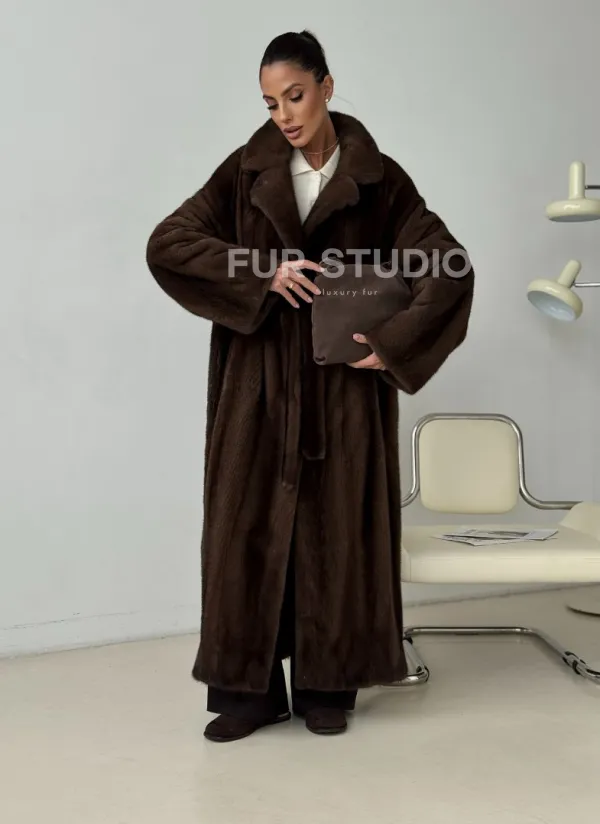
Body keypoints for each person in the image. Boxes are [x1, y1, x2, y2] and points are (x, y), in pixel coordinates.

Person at [146, 30, 474, 742]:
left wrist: (392, 345)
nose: (284, 115)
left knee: (337, 532)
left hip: (342, 392)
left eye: (295, 96)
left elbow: (447, 265)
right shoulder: (245, 171)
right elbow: (169, 244)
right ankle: (248, 694)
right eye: (271, 103)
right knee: (245, 531)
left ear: (326, 86)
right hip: (255, 388)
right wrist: (259, 271)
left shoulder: (380, 181)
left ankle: (329, 685)